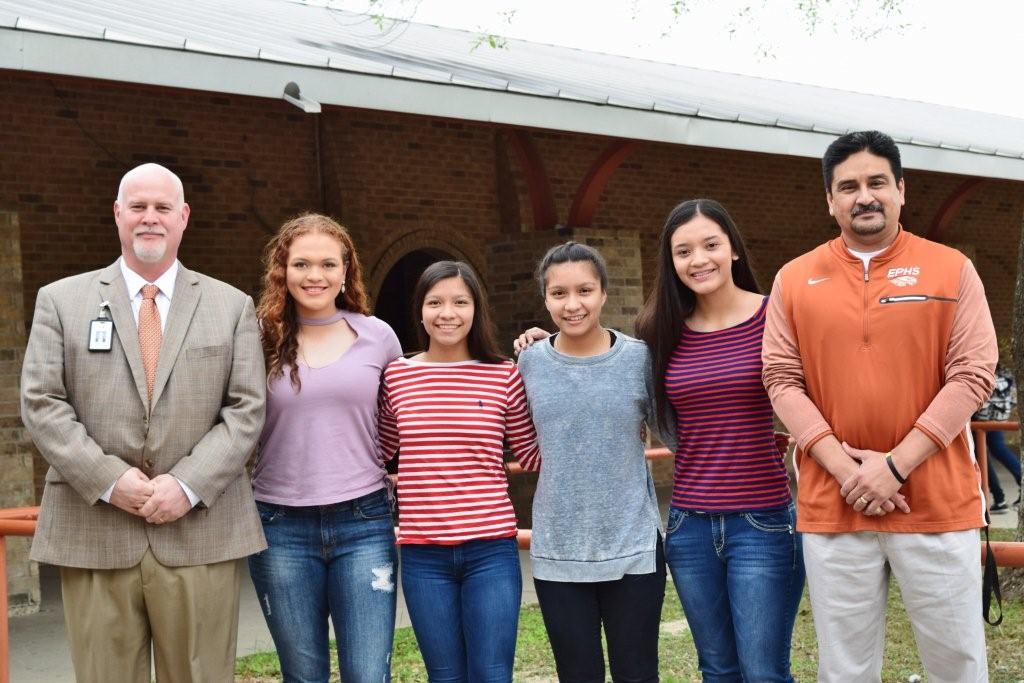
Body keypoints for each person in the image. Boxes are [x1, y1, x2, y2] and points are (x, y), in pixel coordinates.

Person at [762, 130, 997, 682]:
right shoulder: (794, 279)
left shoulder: (952, 268)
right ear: (829, 200)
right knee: (844, 669)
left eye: (876, 183)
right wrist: (850, 473)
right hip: (834, 504)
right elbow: (780, 379)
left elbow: (972, 375)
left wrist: (893, 468)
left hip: (937, 502)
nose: (863, 196)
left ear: (901, 190)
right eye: (847, 187)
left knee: (957, 664)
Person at [21, 163, 267, 682]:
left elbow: (247, 409)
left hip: (200, 529)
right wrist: (109, 480)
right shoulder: (61, 301)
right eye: (137, 207)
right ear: (117, 214)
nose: (149, 219)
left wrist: (187, 484)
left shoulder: (231, 306)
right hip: (96, 530)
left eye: (161, 208)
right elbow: (42, 402)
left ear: (184, 218)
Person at [634, 199, 804, 682]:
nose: (698, 259)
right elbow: (661, 419)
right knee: (718, 670)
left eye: (710, 244)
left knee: (764, 671)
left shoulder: (777, 316)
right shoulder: (659, 330)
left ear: (733, 249)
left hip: (763, 524)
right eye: (683, 251)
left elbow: (807, 395)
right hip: (688, 527)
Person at [249, 213, 401, 682]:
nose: (314, 276)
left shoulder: (379, 336)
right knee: (303, 674)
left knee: (368, 674)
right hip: (279, 526)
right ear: (282, 270)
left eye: (327, 264)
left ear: (345, 271)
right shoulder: (257, 337)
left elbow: (403, 417)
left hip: (364, 522)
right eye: (301, 264)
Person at [378, 260, 539, 683]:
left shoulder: (503, 374)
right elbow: (376, 450)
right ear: (420, 311)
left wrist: (554, 357)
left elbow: (534, 454)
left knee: (491, 674)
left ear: (476, 309)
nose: (447, 313)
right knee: (444, 676)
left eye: (460, 302)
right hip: (422, 554)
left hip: (491, 551)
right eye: (435, 302)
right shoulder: (397, 375)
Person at [516, 242, 665, 683]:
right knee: (576, 675)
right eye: (558, 293)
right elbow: (517, 439)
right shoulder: (528, 362)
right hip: (559, 550)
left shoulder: (639, 358)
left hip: (634, 546)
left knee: (637, 672)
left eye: (584, 290)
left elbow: (678, 430)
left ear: (603, 293)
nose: (573, 304)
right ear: (544, 298)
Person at [976, 361, 1022, 513]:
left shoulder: (981, 371)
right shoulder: (1006, 376)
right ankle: (1000, 497)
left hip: (980, 420)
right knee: (999, 451)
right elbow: (1014, 400)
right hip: (999, 417)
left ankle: (999, 498)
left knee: (982, 457)